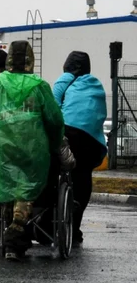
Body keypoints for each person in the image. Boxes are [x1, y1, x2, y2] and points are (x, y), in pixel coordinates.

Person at [0, 41, 65, 261]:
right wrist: (55, 144)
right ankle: (18, 226)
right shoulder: (39, 86)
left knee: (9, 184)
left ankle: (12, 232)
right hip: (34, 151)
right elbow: (55, 121)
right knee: (25, 188)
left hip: (2, 151)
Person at [53, 51, 107, 245]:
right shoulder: (96, 84)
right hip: (91, 141)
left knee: (53, 167)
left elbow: (53, 108)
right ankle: (74, 229)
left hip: (68, 133)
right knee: (83, 176)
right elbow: (99, 113)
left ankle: (50, 219)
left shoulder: (64, 80)